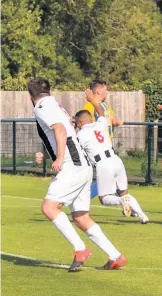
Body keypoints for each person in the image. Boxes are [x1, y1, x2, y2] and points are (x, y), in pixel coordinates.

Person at [29, 78, 126, 272]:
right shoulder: (55, 105)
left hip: (72, 166)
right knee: (81, 218)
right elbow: (64, 135)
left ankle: (80, 249)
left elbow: (60, 130)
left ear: (31, 95)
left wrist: (59, 159)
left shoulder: (41, 106)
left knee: (49, 207)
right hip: (84, 166)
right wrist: (49, 154)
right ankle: (115, 256)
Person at [73, 89, 149, 224]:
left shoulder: (80, 134)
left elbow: (75, 150)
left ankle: (121, 201)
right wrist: (93, 101)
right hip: (115, 159)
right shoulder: (100, 124)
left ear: (79, 122)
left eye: (76, 123)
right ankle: (143, 216)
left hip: (103, 164)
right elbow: (101, 112)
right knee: (124, 191)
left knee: (104, 198)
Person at [82, 80, 129, 213]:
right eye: (105, 89)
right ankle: (81, 201)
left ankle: (128, 206)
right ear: (98, 91)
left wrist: (117, 122)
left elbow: (111, 119)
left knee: (114, 177)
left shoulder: (105, 105)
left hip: (108, 147)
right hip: (97, 150)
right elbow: (85, 126)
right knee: (108, 179)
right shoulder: (89, 107)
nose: (107, 92)